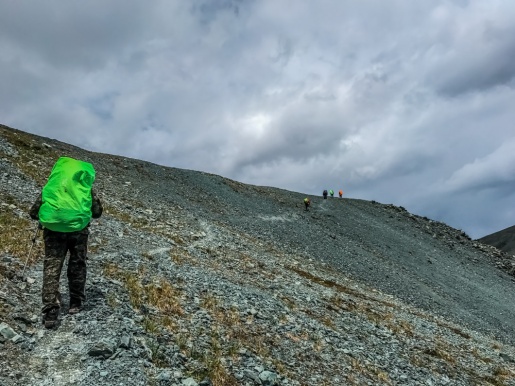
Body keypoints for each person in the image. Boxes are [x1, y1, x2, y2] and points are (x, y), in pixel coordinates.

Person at [29, 157, 103, 329]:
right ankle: (75, 302)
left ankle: (50, 310)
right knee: (77, 262)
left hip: (53, 230)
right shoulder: (85, 188)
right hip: (78, 230)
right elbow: (97, 212)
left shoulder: (53, 186)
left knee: (52, 266)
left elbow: (34, 211)